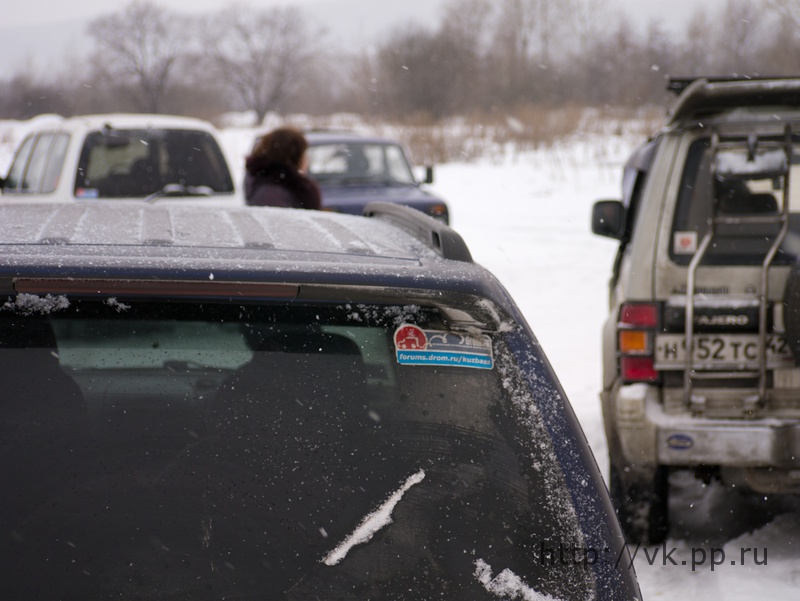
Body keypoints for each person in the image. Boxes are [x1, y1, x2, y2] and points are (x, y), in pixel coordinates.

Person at [244, 126, 321, 209]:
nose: (306, 160)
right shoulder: (273, 195)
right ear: (294, 157)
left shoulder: (281, 188)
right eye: (304, 154)